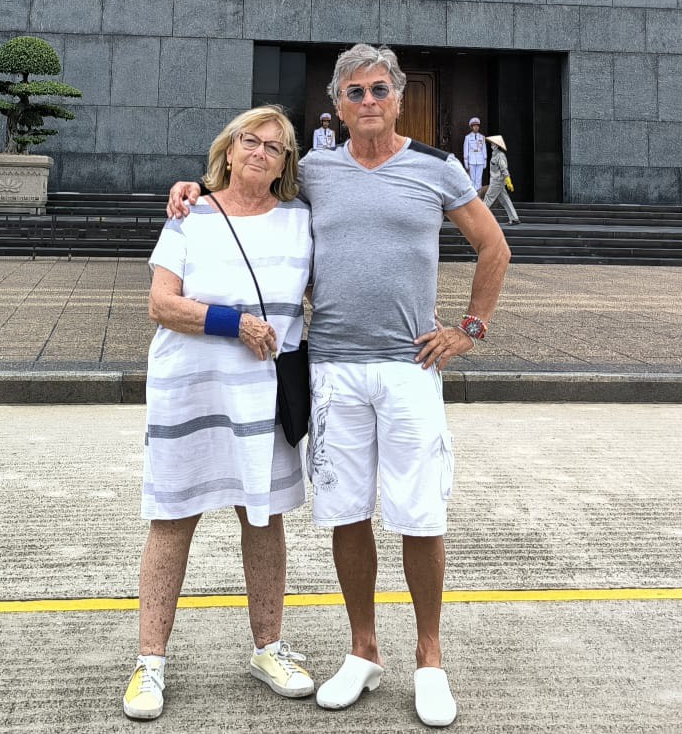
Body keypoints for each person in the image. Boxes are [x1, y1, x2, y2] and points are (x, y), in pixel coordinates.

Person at [169, 44, 511, 728]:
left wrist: (469, 329)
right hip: (332, 369)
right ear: (338, 106)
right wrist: (193, 191)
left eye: (379, 90)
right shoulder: (317, 172)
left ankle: (430, 659)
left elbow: (493, 245)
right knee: (347, 513)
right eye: (354, 93)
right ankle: (363, 651)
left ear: (399, 97)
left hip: (410, 366)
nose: (368, 102)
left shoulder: (437, 168)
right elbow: (251, 190)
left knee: (420, 515)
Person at [126, 105, 316, 721]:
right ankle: (150, 662)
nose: (260, 152)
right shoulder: (190, 215)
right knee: (172, 518)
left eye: (275, 147)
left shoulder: (301, 221)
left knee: (263, 520)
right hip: (191, 391)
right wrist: (235, 323)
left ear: (286, 164)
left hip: (265, 399)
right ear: (228, 151)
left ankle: (269, 648)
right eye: (249, 141)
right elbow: (161, 303)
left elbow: (332, 292)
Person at [481, 134, 519, 226]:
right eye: (491, 143)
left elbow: (504, 169)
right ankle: (514, 218)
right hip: (496, 180)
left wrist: (508, 181)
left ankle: (479, 218)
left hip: (497, 181)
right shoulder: (494, 155)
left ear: (497, 145)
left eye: (493, 143)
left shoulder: (500, 155)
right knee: (505, 200)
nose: (491, 145)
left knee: (488, 198)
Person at [460, 118, 486, 191]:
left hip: (480, 160)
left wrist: (485, 160)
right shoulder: (468, 137)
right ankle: (473, 195)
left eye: (477, 126)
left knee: (479, 179)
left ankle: (478, 194)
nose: (476, 127)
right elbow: (466, 149)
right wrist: (466, 161)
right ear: (471, 127)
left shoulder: (482, 137)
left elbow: (484, 149)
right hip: (471, 160)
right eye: (474, 126)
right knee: (472, 179)